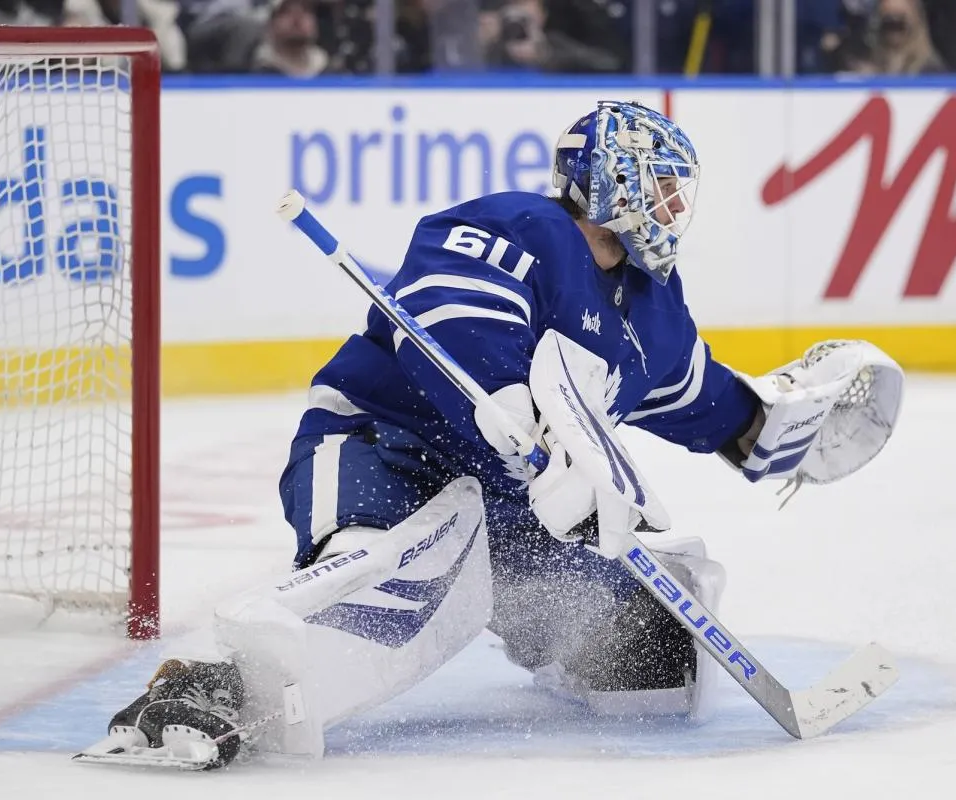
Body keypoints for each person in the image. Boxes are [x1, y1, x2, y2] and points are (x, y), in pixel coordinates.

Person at [91, 101, 902, 770]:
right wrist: (533, 431)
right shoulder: (517, 227)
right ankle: (216, 688)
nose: (672, 208)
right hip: (387, 451)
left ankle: (529, 616)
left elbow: (706, 401)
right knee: (392, 572)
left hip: (521, 515)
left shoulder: (654, 309)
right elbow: (453, 329)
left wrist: (776, 430)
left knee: (649, 654)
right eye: (660, 187)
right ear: (612, 176)